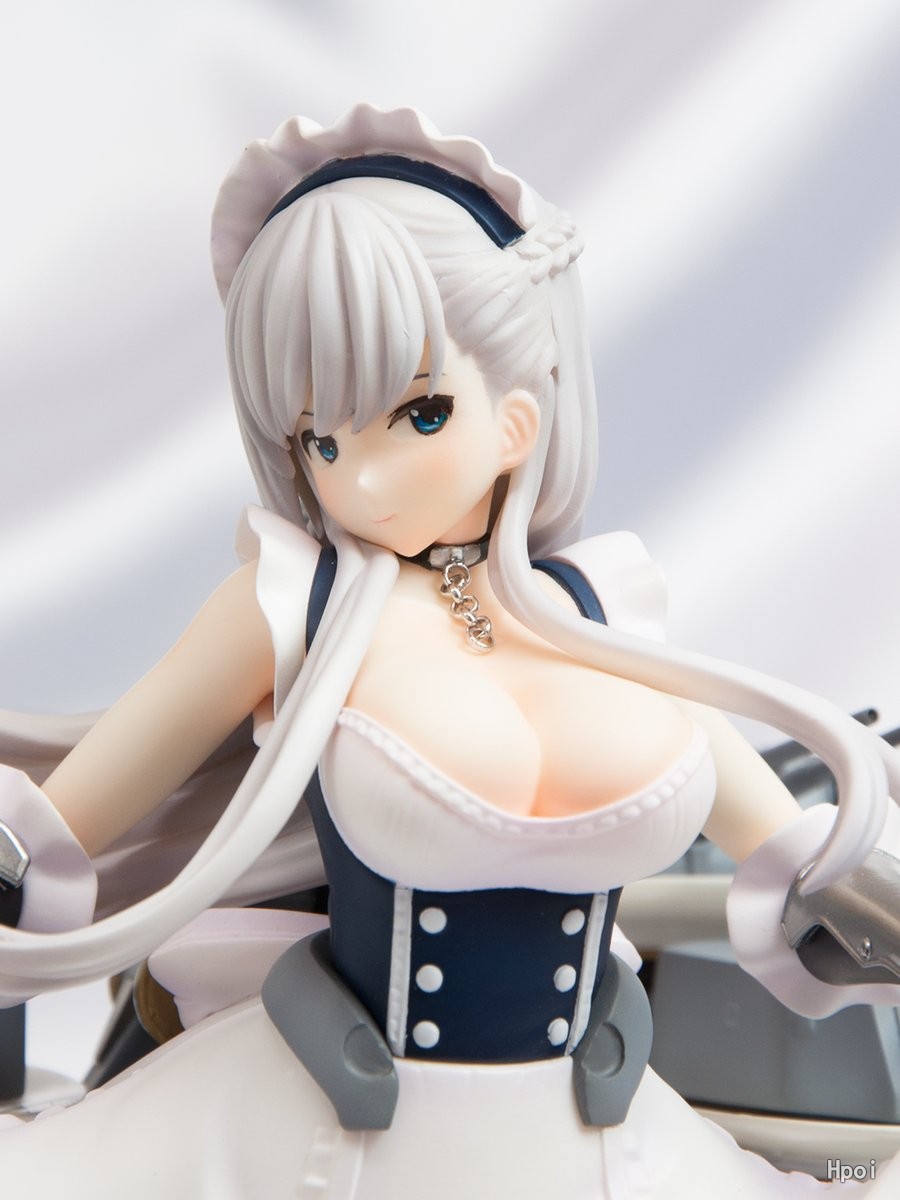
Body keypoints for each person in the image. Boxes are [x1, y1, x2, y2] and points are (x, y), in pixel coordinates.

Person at [0, 104, 897, 1197]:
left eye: (419, 413)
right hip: (333, 1123)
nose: (363, 479)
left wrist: (863, 901)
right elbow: (51, 831)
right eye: (320, 439)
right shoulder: (294, 603)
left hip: (591, 1127)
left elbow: (798, 857)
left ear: (517, 419)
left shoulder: (600, 613)